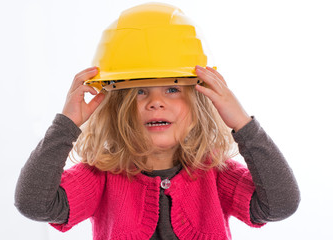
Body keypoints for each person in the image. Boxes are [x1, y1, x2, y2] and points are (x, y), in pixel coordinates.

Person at [15, 3, 300, 240]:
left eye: (173, 88)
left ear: (200, 102)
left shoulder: (215, 173)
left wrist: (242, 123)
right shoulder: (100, 175)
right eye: (140, 91)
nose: (155, 102)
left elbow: (280, 205)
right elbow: (35, 204)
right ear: (119, 108)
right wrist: (67, 124)